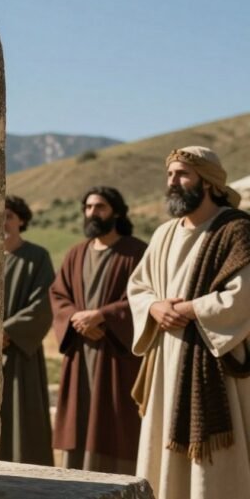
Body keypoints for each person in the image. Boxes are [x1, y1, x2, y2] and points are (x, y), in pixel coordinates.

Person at [128, 146, 250, 499]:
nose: (173, 181)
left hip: (215, 358)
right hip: (166, 359)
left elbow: (243, 295)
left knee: (216, 463)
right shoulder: (164, 234)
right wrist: (154, 308)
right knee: (162, 448)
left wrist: (191, 309)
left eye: (182, 174)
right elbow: (139, 287)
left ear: (208, 182)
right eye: (170, 174)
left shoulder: (237, 230)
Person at [50, 186, 146, 474]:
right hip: (80, 351)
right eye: (88, 207)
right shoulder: (75, 254)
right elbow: (58, 295)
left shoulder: (136, 252)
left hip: (117, 355)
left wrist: (103, 317)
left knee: (117, 422)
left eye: (100, 207)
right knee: (79, 417)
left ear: (116, 212)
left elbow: (145, 297)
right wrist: (77, 319)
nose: (93, 212)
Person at [0, 195, 54, 466]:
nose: (2, 222)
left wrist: (6, 332)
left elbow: (44, 305)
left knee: (22, 418)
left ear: (21, 220)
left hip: (21, 352)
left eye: (8, 216)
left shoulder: (37, 258)